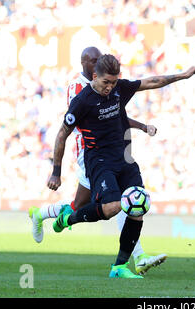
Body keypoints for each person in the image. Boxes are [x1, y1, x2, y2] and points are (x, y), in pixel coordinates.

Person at [49, 53, 195, 278]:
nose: (110, 87)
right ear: (94, 76)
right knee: (112, 208)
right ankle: (68, 218)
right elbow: (62, 135)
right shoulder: (82, 102)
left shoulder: (120, 88)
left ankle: (119, 267)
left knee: (138, 206)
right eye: (105, 82)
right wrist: (56, 172)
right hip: (99, 161)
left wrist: (183, 76)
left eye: (114, 81)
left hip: (125, 158)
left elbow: (151, 82)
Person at [28, 47, 166, 275]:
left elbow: (115, 113)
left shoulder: (108, 83)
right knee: (117, 202)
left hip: (111, 150)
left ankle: (41, 214)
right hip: (89, 151)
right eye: (92, 61)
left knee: (91, 203)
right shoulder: (79, 88)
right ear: (84, 64)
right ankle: (137, 256)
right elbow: (84, 121)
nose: (96, 63)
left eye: (98, 59)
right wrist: (56, 170)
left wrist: (141, 126)